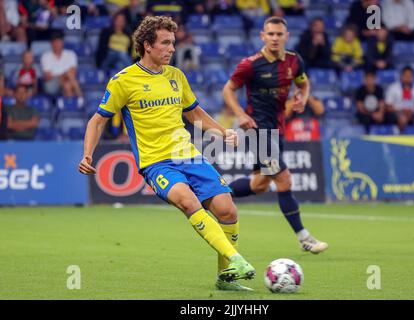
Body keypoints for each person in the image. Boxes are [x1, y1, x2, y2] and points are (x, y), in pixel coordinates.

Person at [78, 16, 256, 291]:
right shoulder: (123, 81)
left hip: (189, 155)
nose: (172, 48)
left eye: (172, 42)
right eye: (165, 42)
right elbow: (98, 120)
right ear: (147, 45)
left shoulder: (176, 76)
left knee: (227, 210)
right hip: (156, 162)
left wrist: (222, 132)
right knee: (188, 202)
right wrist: (88, 154)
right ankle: (236, 258)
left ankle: (226, 276)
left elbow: (194, 113)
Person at [223, 16, 328, 254]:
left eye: (279, 34)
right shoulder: (251, 64)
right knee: (284, 179)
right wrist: (240, 114)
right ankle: (304, 237)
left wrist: (302, 96)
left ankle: (214, 196)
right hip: (258, 130)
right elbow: (228, 89)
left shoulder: (294, 60)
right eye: (270, 34)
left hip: (278, 129)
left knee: (260, 185)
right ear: (263, 36)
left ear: (286, 36)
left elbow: (303, 83)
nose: (274, 38)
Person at [385, 66, 414, 131]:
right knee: (403, 119)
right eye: (405, 76)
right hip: (397, 112)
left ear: (413, 78)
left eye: (410, 76)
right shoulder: (393, 88)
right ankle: (401, 139)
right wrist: (401, 111)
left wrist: (412, 112)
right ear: (401, 77)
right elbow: (388, 106)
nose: (408, 78)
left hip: (413, 113)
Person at [40, 30, 83, 97]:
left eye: (59, 41)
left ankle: (70, 104)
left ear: (62, 42)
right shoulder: (45, 56)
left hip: (68, 80)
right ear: (51, 43)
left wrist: (60, 75)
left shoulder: (71, 54)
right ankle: (80, 97)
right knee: (68, 76)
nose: (57, 44)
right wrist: (63, 75)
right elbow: (47, 77)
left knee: (67, 85)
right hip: (52, 84)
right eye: (55, 42)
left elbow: (73, 73)